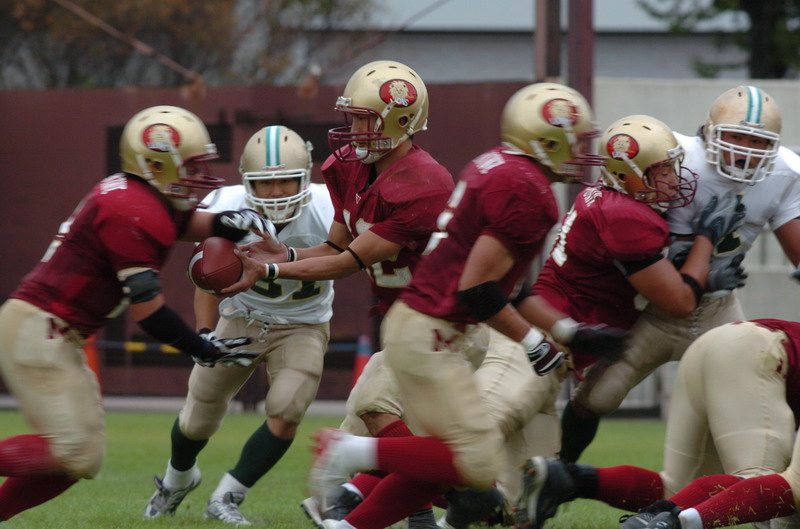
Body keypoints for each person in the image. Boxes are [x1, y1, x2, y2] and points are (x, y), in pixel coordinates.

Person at [304, 82, 630, 529]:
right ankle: (347, 453)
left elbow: (502, 283)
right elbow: (477, 288)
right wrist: (533, 342)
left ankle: (348, 520)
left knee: (458, 457)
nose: (579, 152)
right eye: (572, 141)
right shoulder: (529, 192)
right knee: (475, 460)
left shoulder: (495, 165)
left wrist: (567, 331)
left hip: (420, 322)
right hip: (433, 331)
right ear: (546, 142)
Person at [0, 105, 271, 521]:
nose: (198, 175)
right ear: (156, 165)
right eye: (190, 166)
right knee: (74, 451)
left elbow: (186, 224)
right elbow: (150, 313)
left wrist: (228, 222)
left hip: (48, 330)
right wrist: (201, 346)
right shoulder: (133, 211)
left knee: (81, 459)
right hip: (40, 330)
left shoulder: (136, 195)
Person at [223, 60, 457, 528]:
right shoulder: (350, 166)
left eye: (365, 120)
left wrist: (269, 269)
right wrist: (286, 253)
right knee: (367, 429)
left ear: (400, 122)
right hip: (407, 320)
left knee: (372, 409)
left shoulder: (423, 183)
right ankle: (382, 506)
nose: (353, 129)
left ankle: (461, 499)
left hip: (445, 323)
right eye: (352, 117)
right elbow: (334, 246)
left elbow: (348, 263)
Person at [559, 85, 800, 464]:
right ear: (709, 131)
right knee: (597, 398)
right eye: (736, 137)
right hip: (654, 308)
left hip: (719, 308)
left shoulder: (785, 172)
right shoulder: (673, 156)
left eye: (758, 141)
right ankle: (560, 475)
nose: (746, 151)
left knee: (754, 403)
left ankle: (765, 491)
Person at [142, 125, 335, 525]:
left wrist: (284, 259)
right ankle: (178, 480)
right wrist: (204, 332)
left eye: (287, 180)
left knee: (288, 409)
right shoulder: (227, 206)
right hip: (241, 317)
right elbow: (207, 277)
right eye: (266, 183)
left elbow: (346, 256)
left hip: (304, 323)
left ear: (306, 177)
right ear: (247, 183)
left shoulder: (329, 205)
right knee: (199, 415)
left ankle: (227, 497)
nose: (277, 192)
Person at [518, 318, 800, 529]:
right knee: (765, 485)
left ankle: (569, 477)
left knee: (677, 489)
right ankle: (660, 520)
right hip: (755, 350)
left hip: (713, 344)